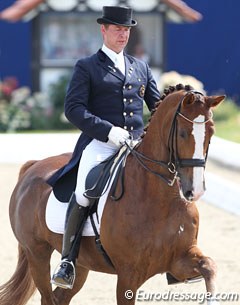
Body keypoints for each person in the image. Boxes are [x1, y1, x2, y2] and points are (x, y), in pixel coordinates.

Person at [49, 5, 161, 289]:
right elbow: (73, 109)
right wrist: (108, 131)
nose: (123, 35)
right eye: (118, 30)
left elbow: (157, 108)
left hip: (137, 146)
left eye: (126, 30)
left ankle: (170, 253)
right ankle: (67, 261)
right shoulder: (87, 66)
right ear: (104, 30)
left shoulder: (140, 67)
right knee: (84, 192)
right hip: (101, 144)